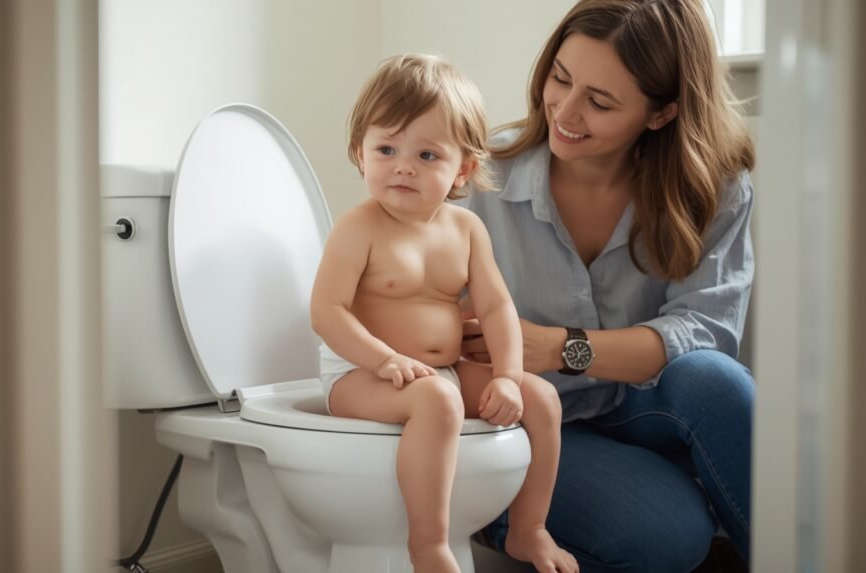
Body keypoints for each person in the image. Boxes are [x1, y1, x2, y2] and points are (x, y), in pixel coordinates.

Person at [459, 1, 755, 572]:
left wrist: (557, 346)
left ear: (662, 113)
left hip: (642, 406)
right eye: (560, 79)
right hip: (531, 428)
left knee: (718, 384)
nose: (565, 112)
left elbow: (709, 333)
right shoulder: (480, 179)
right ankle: (512, 516)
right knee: (670, 536)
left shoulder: (715, 188)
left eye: (600, 102)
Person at [310, 54, 578, 573]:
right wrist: (384, 358)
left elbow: (497, 305)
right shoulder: (358, 227)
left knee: (540, 396)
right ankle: (428, 545)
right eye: (386, 148)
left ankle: (529, 530)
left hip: (441, 374)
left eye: (428, 154)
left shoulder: (467, 230)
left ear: (465, 169)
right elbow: (328, 311)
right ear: (360, 154)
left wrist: (504, 376)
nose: (403, 165)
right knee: (438, 401)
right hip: (359, 374)